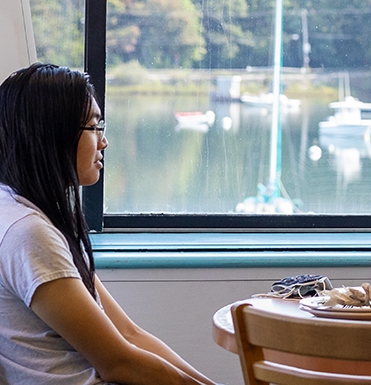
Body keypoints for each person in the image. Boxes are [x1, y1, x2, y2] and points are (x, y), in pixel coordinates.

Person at [0, 63, 216, 384]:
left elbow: (129, 334)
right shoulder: (28, 233)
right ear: (53, 133)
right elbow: (120, 363)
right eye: (94, 127)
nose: (103, 142)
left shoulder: (30, 214)